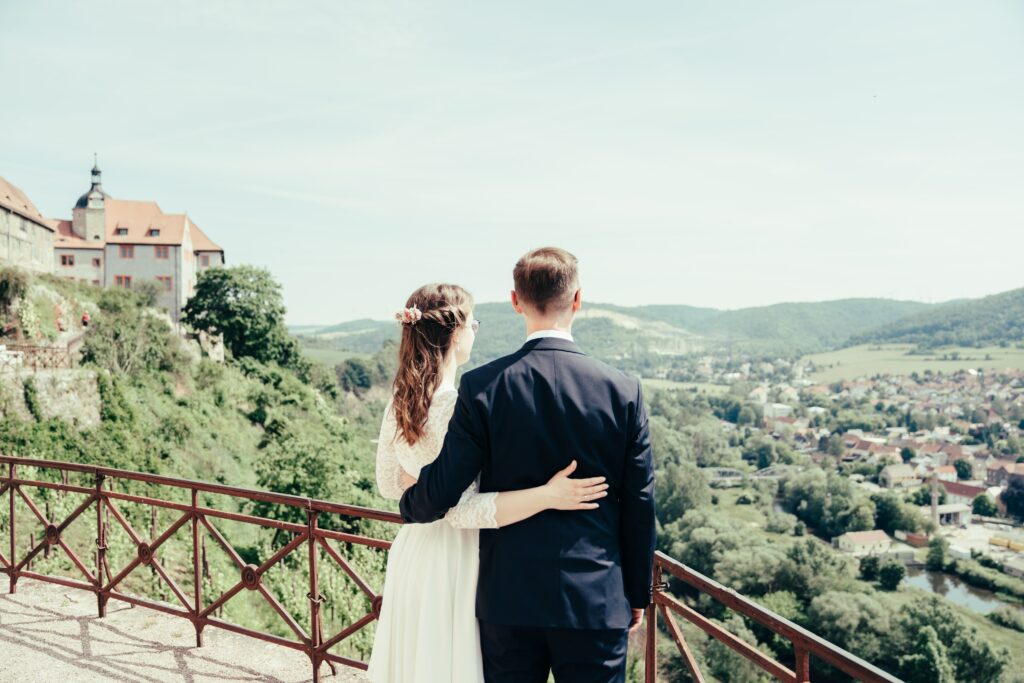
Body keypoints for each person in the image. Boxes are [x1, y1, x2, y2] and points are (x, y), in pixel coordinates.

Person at [401, 247, 656, 683]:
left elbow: (441, 491)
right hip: (595, 599)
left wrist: (411, 503)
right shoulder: (623, 391)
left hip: (508, 603)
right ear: (577, 300)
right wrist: (635, 593)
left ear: (515, 301)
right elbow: (639, 505)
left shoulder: (483, 387)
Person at [368, 282, 609, 683]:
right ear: (456, 331)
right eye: (474, 322)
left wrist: (422, 482)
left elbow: (389, 484)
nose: (475, 332)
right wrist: (547, 495)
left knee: (415, 664)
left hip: (414, 550)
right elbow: (462, 513)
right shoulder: (454, 403)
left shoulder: (402, 398)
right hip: (455, 559)